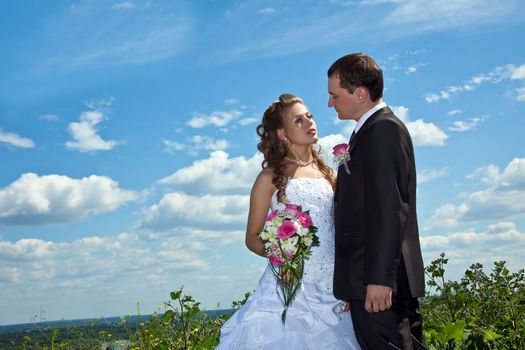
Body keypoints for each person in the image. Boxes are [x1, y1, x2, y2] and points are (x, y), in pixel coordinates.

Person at [217, 93, 361, 349]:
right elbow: (252, 238)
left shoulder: (329, 174)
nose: (309, 122)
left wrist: (350, 282)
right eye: (298, 120)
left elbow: (343, 231)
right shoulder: (268, 178)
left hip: (333, 288)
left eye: (309, 116)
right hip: (290, 286)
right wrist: (282, 253)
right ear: (282, 134)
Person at [327, 53, 427, 349]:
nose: (330, 103)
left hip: (379, 282)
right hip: (369, 279)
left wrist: (379, 280)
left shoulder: (382, 130)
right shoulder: (368, 132)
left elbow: (388, 209)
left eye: (334, 95)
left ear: (360, 94)